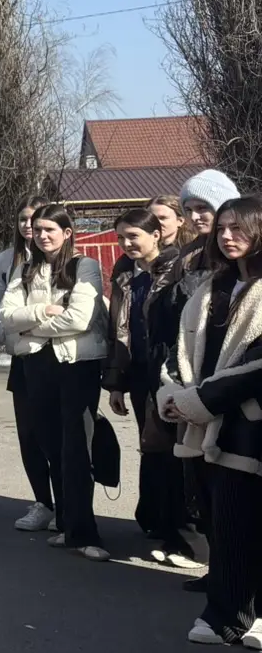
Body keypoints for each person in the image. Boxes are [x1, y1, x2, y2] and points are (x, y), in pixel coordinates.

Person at [159, 196, 262, 648]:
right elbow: (178, 352)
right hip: (200, 426)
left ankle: (246, 614)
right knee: (218, 523)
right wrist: (171, 395)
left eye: (238, 228)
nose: (226, 236)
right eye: (222, 228)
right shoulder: (211, 287)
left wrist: (198, 400)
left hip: (248, 425)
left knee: (245, 521)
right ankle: (223, 611)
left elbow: (256, 367)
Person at [0, 203, 111, 559]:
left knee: (76, 449)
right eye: (38, 229)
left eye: (50, 229)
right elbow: (6, 315)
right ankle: (66, 524)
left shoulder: (84, 266)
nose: (43, 235)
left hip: (76, 365)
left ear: (67, 232)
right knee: (51, 445)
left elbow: (79, 318)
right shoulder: (24, 269)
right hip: (37, 365)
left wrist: (31, 328)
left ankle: (86, 534)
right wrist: (41, 311)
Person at [100, 206, 194, 567]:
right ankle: (158, 524)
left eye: (133, 236)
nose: (126, 243)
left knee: (174, 454)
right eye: (121, 237)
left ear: (156, 235)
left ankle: (182, 536)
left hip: (169, 373)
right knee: (152, 450)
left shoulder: (177, 269)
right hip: (139, 374)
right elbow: (119, 330)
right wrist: (116, 382)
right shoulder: (126, 274)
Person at [0, 199, 58, 531]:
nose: (30, 226)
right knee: (30, 434)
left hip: (60, 358)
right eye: (24, 219)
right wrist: (4, 334)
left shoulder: (68, 260)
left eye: (37, 220)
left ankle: (68, 504)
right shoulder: (6, 261)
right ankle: (43, 502)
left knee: (61, 435)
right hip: (23, 359)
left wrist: (31, 323)